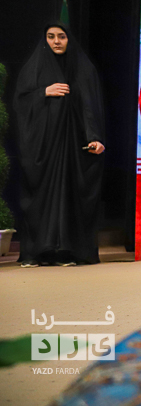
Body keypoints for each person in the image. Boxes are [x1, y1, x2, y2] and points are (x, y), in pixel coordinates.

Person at [14, 23, 105, 267]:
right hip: (42, 148)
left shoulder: (83, 68)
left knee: (70, 196)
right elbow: (20, 103)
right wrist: (44, 92)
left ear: (69, 39)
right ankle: (36, 253)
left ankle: (67, 251)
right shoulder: (33, 68)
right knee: (39, 198)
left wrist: (94, 137)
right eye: (51, 36)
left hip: (73, 148)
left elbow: (91, 107)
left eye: (62, 36)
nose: (56, 41)